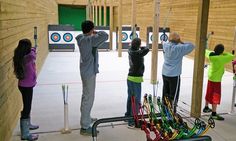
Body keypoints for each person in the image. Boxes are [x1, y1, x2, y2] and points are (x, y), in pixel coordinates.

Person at [76, 20, 108, 136]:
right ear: (91, 29)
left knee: (86, 95)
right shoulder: (90, 40)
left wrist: (90, 31)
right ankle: (85, 127)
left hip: (85, 70)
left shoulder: (81, 38)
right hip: (89, 72)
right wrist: (95, 31)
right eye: (92, 28)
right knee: (88, 98)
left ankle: (87, 118)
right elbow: (105, 35)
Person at [162, 32, 195, 113]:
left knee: (165, 91)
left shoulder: (165, 45)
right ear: (178, 40)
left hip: (165, 73)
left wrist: (172, 40)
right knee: (174, 94)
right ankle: (172, 111)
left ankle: (165, 109)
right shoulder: (179, 48)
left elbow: (163, 41)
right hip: (174, 75)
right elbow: (192, 45)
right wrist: (181, 42)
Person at [13, 39, 39, 140]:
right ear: (26, 48)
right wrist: (34, 48)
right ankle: (25, 134)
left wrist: (32, 48)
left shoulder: (21, 56)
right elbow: (33, 55)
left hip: (25, 85)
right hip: (26, 87)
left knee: (27, 106)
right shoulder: (27, 57)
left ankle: (27, 125)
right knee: (27, 108)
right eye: (29, 46)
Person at [203, 44, 235, 120]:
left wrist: (218, 52)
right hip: (216, 80)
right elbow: (231, 56)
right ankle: (213, 113)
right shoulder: (221, 58)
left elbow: (205, 51)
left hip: (210, 78)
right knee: (216, 96)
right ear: (221, 52)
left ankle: (206, 107)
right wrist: (223, 53)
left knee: (209, 92)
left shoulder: (211, 54)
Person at [125, 38, 149, 128]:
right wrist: (141, 47)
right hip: (136, 79)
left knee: (130, 97)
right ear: (138, 46)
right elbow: (146, 49)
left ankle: (127, 115)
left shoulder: (130, 50)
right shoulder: (138, 53)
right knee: (136, 100)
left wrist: (138, 46)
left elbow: (142, 49)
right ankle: (132, 121)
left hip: (130, 77)